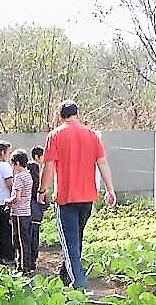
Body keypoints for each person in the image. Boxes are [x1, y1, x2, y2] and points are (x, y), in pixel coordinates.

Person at [38, 102, 116, 290]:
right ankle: (66, 274)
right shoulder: (91, 134)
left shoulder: (55, 135)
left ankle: (78, 282)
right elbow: (102, 163)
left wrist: (42, 191)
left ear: (60, 116)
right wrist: (110, 189)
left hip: (66, 198)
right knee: (76, 239)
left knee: (70, 242)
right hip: (87, 198)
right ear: (77, 114)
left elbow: (48, 167)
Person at [5, 149, 34, 275]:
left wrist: (7, 201)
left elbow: (17, 198)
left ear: (17, 163)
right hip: (26, 211)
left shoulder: (19, 177)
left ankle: (21, 268)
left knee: (19, 242)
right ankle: (27, 265)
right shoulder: (28, 175)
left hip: (18, 213)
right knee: (26, 241)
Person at [28, 147, 45, 267]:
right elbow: (45, 202)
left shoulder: (26, 184)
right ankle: (34, 260)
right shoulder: (40, 186)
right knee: (35, 237)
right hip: (37, 215)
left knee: (26, 238)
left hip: (27, 214)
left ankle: (27, 261)